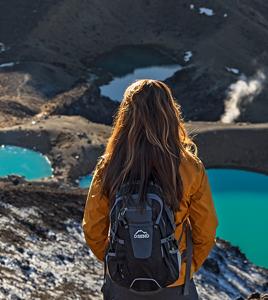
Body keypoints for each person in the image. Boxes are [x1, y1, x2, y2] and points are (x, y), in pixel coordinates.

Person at [82, 79, 218, 300]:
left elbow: (92, 229)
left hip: (121, 283)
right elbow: (207, 229)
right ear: (170, 114)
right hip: (175, 281)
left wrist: (120, 261)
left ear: (126, 116)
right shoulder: (189, 166)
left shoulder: (109, 166)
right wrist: (186, 268)